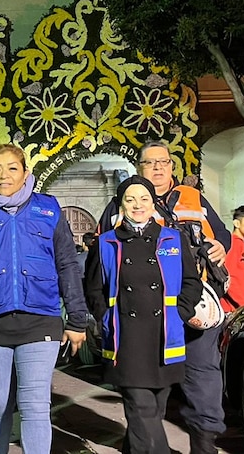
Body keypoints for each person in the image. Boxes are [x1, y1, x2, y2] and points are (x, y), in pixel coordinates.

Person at [0, 144, 89, 454]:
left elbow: (67, 264)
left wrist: (77, 319)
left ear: (26, 173)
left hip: (40, 319)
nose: (4, 175)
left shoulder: (48, 210)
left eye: (12, 168)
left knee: (34, 401)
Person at [94, 140, 233, 454]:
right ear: (138, 167)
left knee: (202, 380)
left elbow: (221, 235)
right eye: (149, 163)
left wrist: (221, 245)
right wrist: (106, 317)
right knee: (146, 390)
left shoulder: (193, 198)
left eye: (164, 162)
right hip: (140, 317)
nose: (158, 168)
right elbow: (101, 262)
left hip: (191, 309)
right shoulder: (120, 204)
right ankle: (142, 445)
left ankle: (204, 444)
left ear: (172, 166)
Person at [90, 176, 203, 454]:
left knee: (153, 409)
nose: (137, 205)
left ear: (153, 203)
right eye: (130, 199)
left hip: (165, 338)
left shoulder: (172, 238)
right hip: (125, 340)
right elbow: (93, 289)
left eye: (144, 199)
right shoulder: (106, 243)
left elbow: (192, 281)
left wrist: (180, 312)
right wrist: (106, 318)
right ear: (120, 205)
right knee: (142, 410)